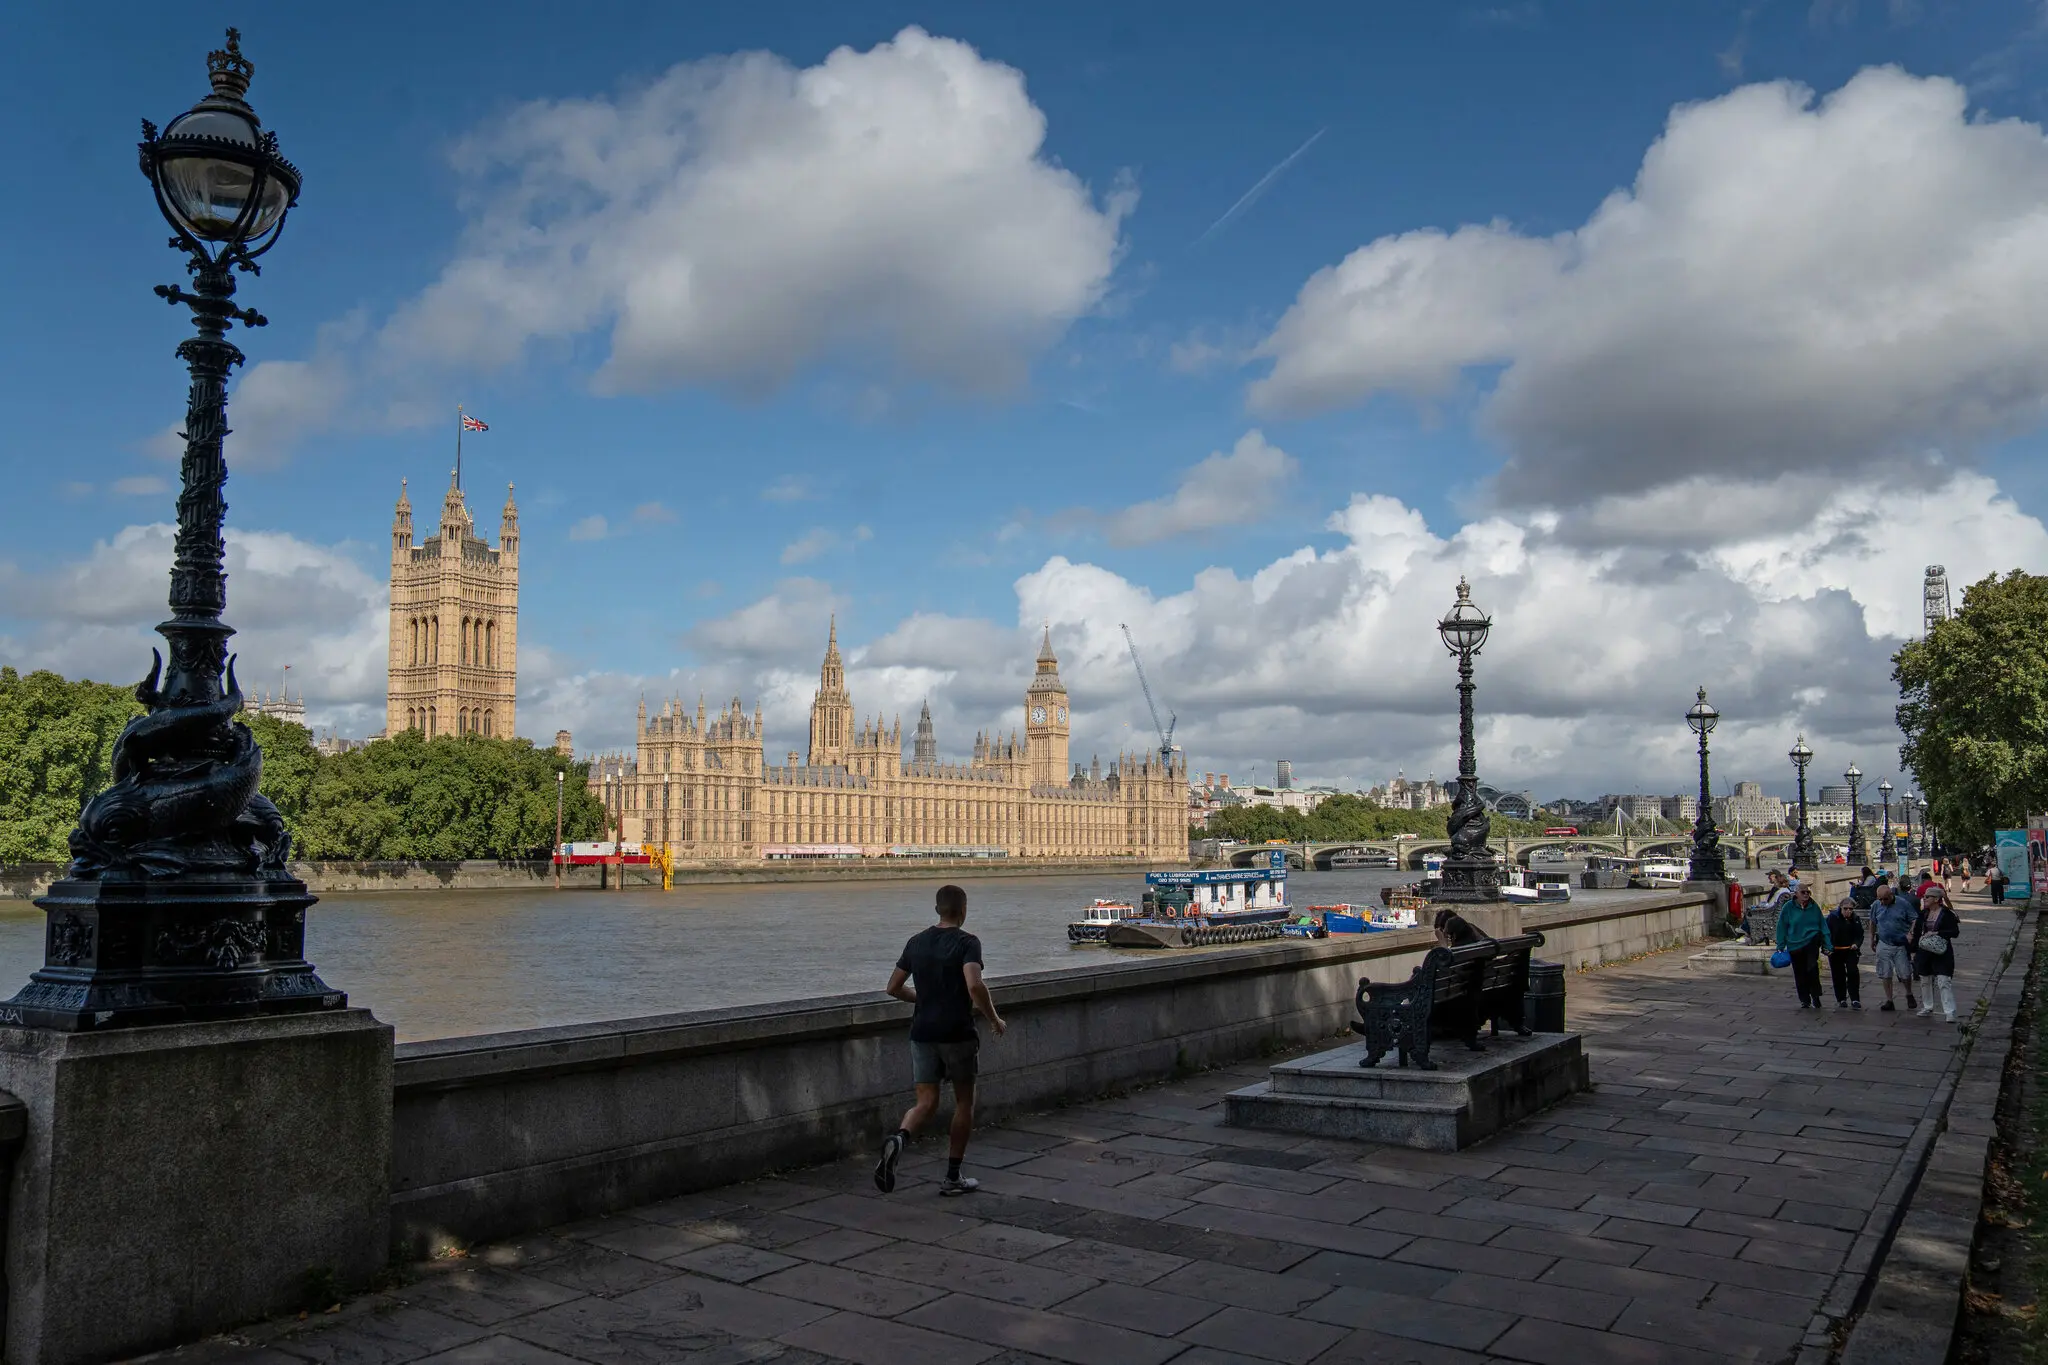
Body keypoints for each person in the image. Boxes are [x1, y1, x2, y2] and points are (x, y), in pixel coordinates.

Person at [875, 884, 1007, 1197]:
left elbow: (892, 987)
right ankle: (952, 1177)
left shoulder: (916, 942)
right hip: (956, 1033)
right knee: (964, 1103)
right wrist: (994, 1018)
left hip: (922, 1032)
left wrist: (921, 998)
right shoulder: (967, 942)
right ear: (963, 911)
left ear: (937, 910)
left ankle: (900, 1138)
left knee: (925, 1102)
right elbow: (974, 985)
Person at [1775, 882, 1831, 1010]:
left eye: (1808, 892)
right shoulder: (1788, 907)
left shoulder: (1814, 906)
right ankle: (1804, 999)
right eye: (1803, 892)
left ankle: (1816, 996)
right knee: (1799, 972)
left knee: (1812, 969)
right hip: (1794, 945)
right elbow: (1782, 926)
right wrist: (1780, 944)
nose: (1806, 894)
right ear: (1796, 894)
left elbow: (1823, 925)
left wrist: (1828, 944)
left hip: (1811, 941)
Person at [1910, 883, 1961, 1023]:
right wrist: (1913, 950)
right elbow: (1916, 932)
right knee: (1925, 980)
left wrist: (1937, 932)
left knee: (1944, 980)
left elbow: (1955, 932)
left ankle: (1949, 1011)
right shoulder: (1923, 913)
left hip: (1941, 951)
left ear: (1937, 899)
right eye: (1924, 896)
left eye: (1927, 897)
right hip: (1924, 951)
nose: (1924, 899)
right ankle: (1928, 1006)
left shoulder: (1946, 914)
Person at [1868, 880, 1919, 1013]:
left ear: (1891, 895)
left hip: (1900, 943)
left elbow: (1914, 918)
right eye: (1880, 899)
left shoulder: (1903, 904)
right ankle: (1889, 1000)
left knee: (1905, 973)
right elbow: (1873, 922)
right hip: (1884, 942)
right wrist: (1872, 938)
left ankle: (1908, 993)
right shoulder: (1876, 905)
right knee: (1885, 972)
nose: (1883, 902)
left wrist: (1910, 932)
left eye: (1885, 899)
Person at [1825, 896, 1863, 1009]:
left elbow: (1859, 934)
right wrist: (1827, 947)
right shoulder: (1833, 918)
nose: (1848, 911)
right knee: (1838, 975)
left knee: (1853, 972)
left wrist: (1856, 943)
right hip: (1835, 950)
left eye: (1851, 909)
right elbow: (1826, 933)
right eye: (1845, 908)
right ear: (1840, 908)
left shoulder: (1855, 918)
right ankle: (1841, 998)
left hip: (1850, 950)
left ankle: (1855, 999)